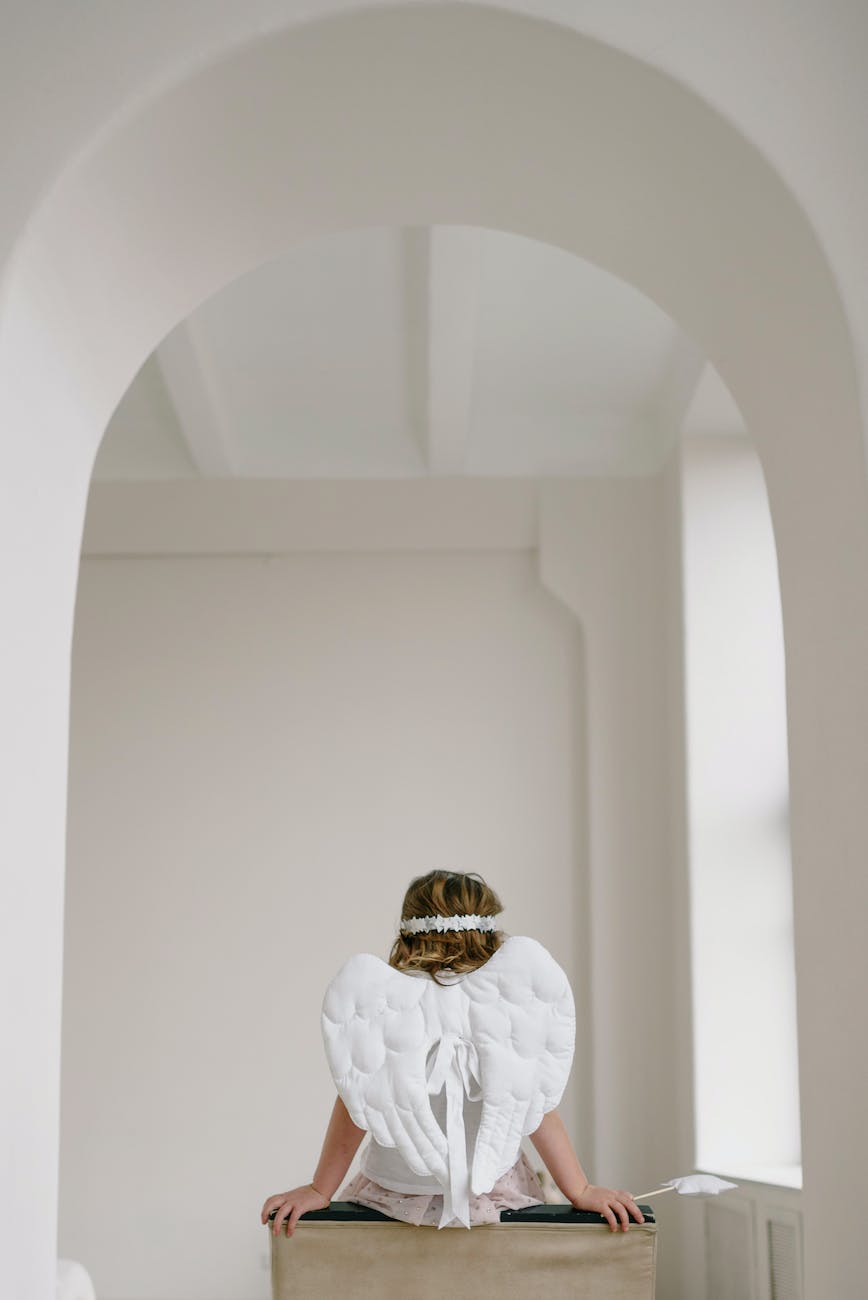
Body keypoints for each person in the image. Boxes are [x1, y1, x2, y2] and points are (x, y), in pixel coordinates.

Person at [260, 870, 645, 1238]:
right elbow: (534, 1101)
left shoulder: (385, 1005)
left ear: (407, 932)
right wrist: (579, 1189)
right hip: (491, 1190)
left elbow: (357, 1095)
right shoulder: (508, 1007)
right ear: (489, 931)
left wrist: (320, 1188)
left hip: (394, 1193)